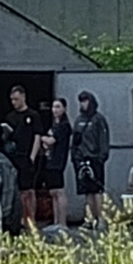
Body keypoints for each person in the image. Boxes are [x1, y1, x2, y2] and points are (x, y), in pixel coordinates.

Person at [27, 96, 74, 227]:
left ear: (64, 109)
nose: (55, 110)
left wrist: (39, 136)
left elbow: (51, 141)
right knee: (52, 192)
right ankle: (56, 221)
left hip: (57, 162)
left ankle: (63, 223)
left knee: (59, 191)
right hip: (49, 160)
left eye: (58, 107)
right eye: (54, 107)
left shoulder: (64, 126)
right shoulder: (55, 125)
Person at [0, 87, 39, 230]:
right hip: (13, 157)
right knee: (18, 190)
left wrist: (32, 156)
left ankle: (31, 219)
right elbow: (6, 138)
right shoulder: (10, 116)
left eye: (16, 99)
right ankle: (20, 218)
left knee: (29, 190)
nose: (14, 102)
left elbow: (37, 136)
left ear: (23, 97)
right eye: (12, 100)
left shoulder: (33, 115)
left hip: (27, 156)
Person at [71, 91, 112, 220]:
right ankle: (90, 219)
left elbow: (103, 139)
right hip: (81, 159)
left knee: (97, 190)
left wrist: (102, 157)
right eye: (81, 101)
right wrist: (74, 157)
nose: (83, 104)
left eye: (85, 101)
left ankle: (100, 218)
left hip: (95, 159)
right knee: (86, 191)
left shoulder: (98, 119)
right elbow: (75, 140)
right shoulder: (78, 120)